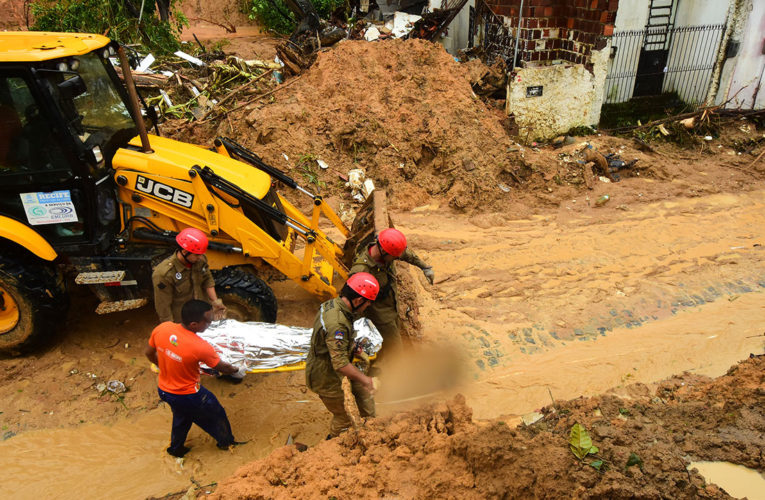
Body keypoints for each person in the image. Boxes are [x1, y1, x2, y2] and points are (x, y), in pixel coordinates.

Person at [145, 299, 247, 457]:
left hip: (164, 390)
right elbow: (223, 368)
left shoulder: (163, 328)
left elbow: (149, 353)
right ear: (194, 324)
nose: (210, 324)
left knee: (182, 417)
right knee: (216, 413)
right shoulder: (200, 346)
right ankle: (226, 443)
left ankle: (176, 449)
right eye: (208, 322)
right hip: (188, 394)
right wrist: (237, 369)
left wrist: (164, 366)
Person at [305, 272, 380, 438]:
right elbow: (340, 364)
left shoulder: (333, 305)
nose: (367, 308)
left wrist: (353, 347)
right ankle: (332, 446)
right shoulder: (337, 323)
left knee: (363, 396)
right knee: (345, 416)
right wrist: (367, 380)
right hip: (326, 376)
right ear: (359, 300)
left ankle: (370, 427)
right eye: (367, 304)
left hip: (332, 364)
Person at [348, 227, 433, 357]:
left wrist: (424, 267)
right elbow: (351, 302)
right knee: (396, 351)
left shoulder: (387, 252)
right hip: (381, 317)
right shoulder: (361, 270)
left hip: (393, 308)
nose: (397, 258)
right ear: (382, 250)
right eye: (394, 256)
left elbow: (405, 254)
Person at [152, 227, 226, 323]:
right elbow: (163, 307)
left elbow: (207, 279)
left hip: (200, 316)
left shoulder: (200, 260)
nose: (200, 257)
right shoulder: (164, 274)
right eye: (196, 255)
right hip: (182, 322)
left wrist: (215, 302)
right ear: (185, 252)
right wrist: (170, 328)